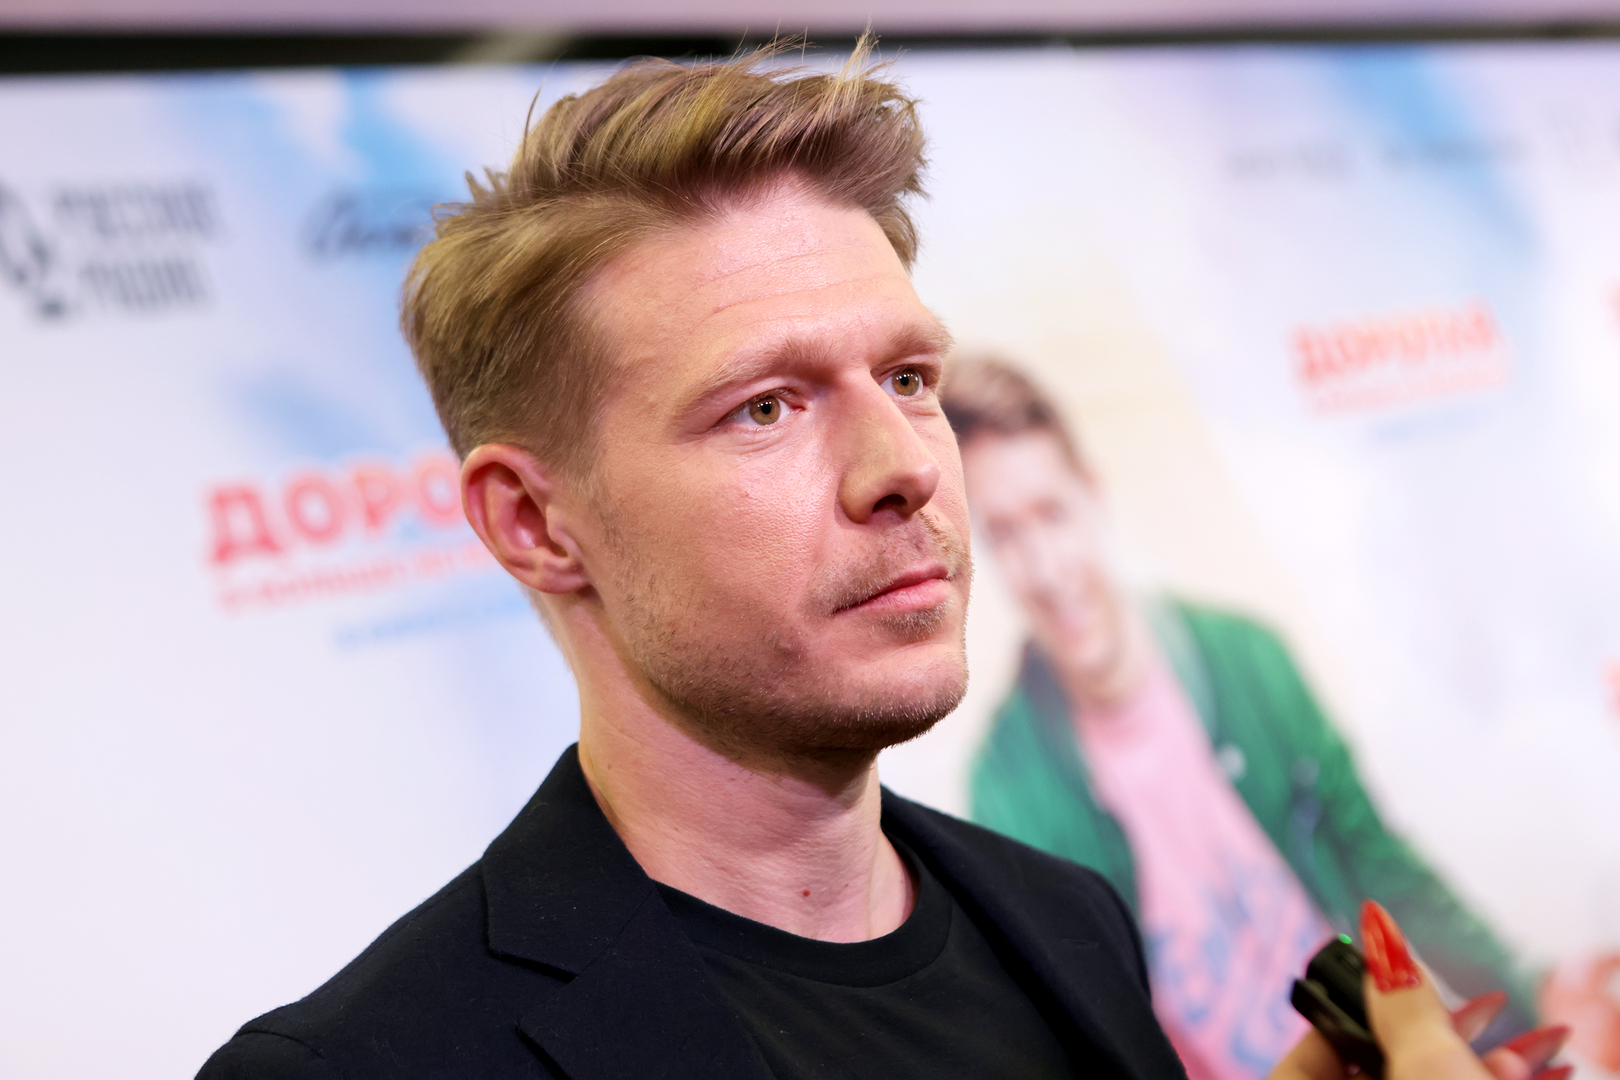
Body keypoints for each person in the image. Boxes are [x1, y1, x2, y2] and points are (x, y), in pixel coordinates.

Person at [196, 47, 1567, 1080]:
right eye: (765, 407)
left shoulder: (1064, 917)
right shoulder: (366, 1066)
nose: (903, 465)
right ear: (534, 525)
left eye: (911, 377)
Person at [944, 356, 1608, 1080]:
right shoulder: (1004, 784)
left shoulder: (1249, 659)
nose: (1045, 566)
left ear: (1093, 494)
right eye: (1005, 535)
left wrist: (1527, 989)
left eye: (1052, 514)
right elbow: (1072, 1020)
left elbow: (1378, 861)